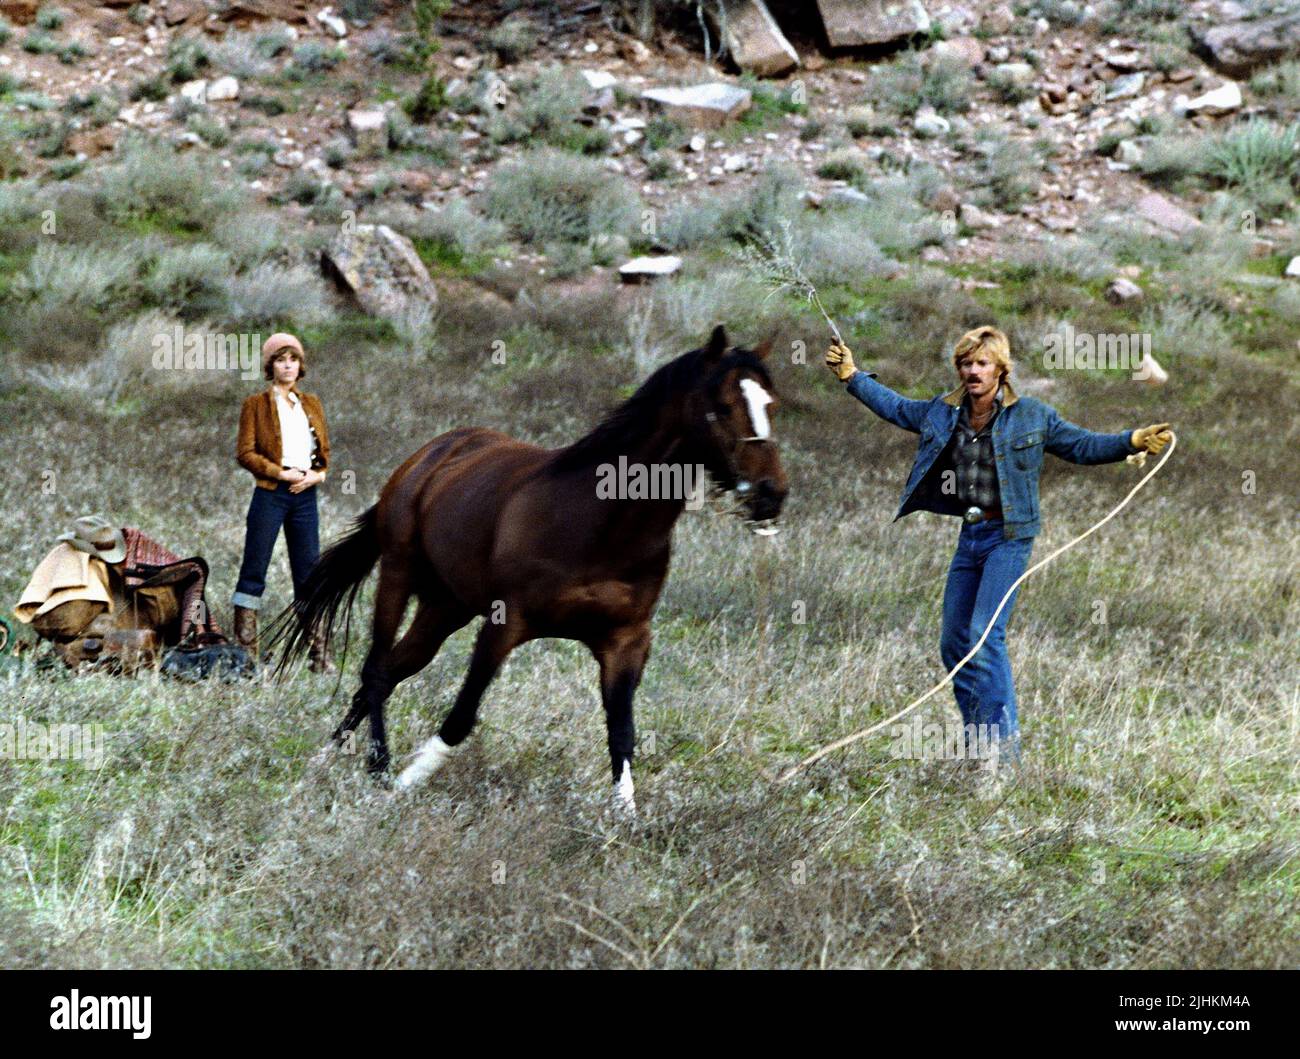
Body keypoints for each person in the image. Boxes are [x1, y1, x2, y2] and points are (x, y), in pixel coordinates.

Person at [826, 326, 1171, 785]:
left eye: (982, 363)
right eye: (966, 363)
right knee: (954, 643)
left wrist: (1131, 439)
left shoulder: (1032, 415)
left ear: (1000, 370)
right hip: (970, 535)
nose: (973, 371)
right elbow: (896, 407)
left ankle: (1004, 756)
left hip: (1010, 537)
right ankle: (979, 741)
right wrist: (852, 376)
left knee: (985, 637)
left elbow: (1083, 446)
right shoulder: (942, 413)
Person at [232, 333, 332, 672]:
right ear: (270, 366)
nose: (287, 365)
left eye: (293, 359)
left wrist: (316, 476)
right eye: (280, 359)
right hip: (270, 494)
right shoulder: (256, 405)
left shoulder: (312, 404)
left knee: (309, 572)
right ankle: (247, 654)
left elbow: (324, 455)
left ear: (300, 365)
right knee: (254, 569)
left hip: (306, 497)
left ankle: (318, 653)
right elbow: (245, 453)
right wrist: (280, 473)